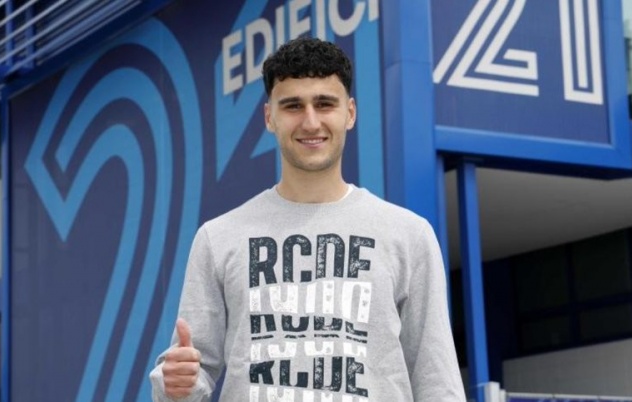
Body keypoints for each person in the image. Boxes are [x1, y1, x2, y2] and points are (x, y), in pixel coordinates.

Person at [150, 36, 466, 402]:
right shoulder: (218, 238)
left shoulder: (408, 235)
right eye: (293, 106)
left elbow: (438, 383)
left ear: (350, 113)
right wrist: (174, 384)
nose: (311, 121)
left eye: (325, 104)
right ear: (270, 117)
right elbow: (189, 377)